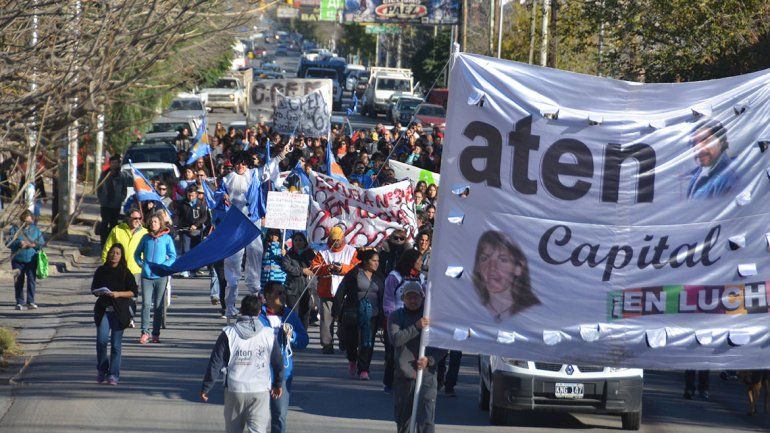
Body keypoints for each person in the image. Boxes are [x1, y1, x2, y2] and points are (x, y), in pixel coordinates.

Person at [200, 294, 284, 433]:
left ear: (241, 311)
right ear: (259, 312)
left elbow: (216, 362)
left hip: (235, 388)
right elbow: (278, 362)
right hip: (260, 389)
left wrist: (206, 387)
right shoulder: (268, 334)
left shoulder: (229, 333)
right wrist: (277, 384)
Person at [222, 150, 284, 318]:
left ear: (247, 164)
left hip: (252, 222)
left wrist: (280, 155)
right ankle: (229, 307)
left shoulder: (254, 175)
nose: (239, 166)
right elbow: (217, 196)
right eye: (237, 163)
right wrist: (221, 195)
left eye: (243, 163)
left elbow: (268, 169)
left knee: (255, 260)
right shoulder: (226, 180)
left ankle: (257, 304)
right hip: (235, 224)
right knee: (233, 264)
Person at [389, 282, 445, 433]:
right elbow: (396, 339)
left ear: (422, 297)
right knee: (403, 421)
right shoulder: (395, 316)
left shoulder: (430, 317)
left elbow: (442, 345)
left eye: (416, 297)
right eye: (409, 297)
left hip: (426, 376)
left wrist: (429, 360)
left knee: (426, 420)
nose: (413, 300)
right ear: (403, 298)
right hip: (404, 376)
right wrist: (416, 327)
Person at [258, 282, 309, 433]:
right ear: (267, 296)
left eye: (283, 293)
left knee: (279, 415)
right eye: (278, 293)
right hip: (259, 373)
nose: (282, 296)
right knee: (257, 416)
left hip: (283, 373)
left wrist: (292, 336)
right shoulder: (258, 315)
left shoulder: (290, 314)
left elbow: (304, 341)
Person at [91, 243, 138, 385]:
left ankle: (113, 375)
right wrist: (99, 292)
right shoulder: (101, 270)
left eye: (118, 253)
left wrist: (118, 294)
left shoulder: (125, 272)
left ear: (122, 256)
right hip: (104, 310)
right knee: (102, 341)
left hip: (119, 312)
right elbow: (93, 289)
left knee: (116, 345)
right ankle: (102, 369)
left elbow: (133, 292)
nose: (114, 255)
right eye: (112, 252)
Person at [333, 249, 384, 380]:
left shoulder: (379, 276)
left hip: (372, 314)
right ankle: (352, 359)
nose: (377, 263)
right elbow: (341, 291)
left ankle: (364, 369)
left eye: (378, 261)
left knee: (367, 342)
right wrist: (336, 311)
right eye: (374, 261)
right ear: (366, 262)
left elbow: (384, 295)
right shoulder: (353, 274)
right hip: (354, 312)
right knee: (352, 341)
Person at [310, 226, 360, 354]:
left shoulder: (351, 251)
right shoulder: (323, 251)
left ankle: (345, 342)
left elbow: (356, 268)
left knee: (345, 320)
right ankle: (327, 344)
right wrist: (327, 268)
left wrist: (341, 269)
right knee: (326, 320)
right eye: (333, 240)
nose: (336, 242)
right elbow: (314, 268)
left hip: (346, 292)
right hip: (327, 290)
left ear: (343, 238)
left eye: (338, 239)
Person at [473, 230, 539, 321]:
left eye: (502, 260)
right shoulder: (469, 307)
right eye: (485, 258)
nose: (492, 267)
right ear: (478, 267)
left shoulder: (535, 313)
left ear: (518, 268)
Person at [382, 248, 423, 393]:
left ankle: (413, 382)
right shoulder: (395, 277)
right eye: (419, 260)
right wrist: (391, 319)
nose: (421, 262)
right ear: (411, 261)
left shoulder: (421, 277)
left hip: (417, 319)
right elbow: (388, 300)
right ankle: (389, 383)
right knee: (393, 352)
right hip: (398, 319)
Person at [134, 213, 177, 344]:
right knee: (146, 304)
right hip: (147, 276)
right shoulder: (145, 238)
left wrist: (164, 266)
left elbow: (173, 256)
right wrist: (142, 265)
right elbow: (137, 254)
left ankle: (156, 334)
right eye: (151, 222)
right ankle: (144, 332)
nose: (153, 224)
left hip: (161, 276)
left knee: (158, 306)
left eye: (156, 222)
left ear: (161, 224)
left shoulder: (167, 238)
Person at [686, 120, 737, 199]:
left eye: (705, 140)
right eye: (693, 143)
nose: (698, 149)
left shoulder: (727, 177)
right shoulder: (697, 174)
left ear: (721, 142)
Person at [7, 210, 44, 310]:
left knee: (31, 280)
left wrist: (32, 245)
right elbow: (8, 243)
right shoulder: (14, 230)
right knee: (18, 281)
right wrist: (19, 244)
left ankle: (30, 301)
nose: (27, 223)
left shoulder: (36, 231)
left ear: (32, 219)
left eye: (29, 220)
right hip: (17, 259)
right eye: (25, 220)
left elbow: (41, 243)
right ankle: (19, 302)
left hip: (32, 259)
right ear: (21, 220)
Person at [282, 232, 316, 330]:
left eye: (300, 240)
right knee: (293, 314)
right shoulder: (289, 254)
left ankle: (303, 334)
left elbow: (313, 266)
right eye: (295, 240)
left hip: (306, 288)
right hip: (292, 289)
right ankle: (292, 335)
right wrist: (302, 271)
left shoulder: (309, 253)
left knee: (305, 313)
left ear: (305, 241)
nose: (298, 242)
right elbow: (287, 267)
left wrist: (307, 253)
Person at [101, 208, 147, 280]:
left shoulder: (145, 233)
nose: (137, 220)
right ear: (128, 218)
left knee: (132, 291)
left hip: (136, 271)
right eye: (135, 218)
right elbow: (107, 249)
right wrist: (106, 265)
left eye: (139, 218)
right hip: (118, 270)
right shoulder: (117, 230)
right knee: (117, 291)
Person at [97, 155, 130, 245]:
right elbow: (99, 187)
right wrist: (101, 199)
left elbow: (124, 189)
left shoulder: (122, 176)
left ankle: (112, 242)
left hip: (115, 205)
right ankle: (103, 242)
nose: (114, 165)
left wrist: (120, 199)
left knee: (114, 224)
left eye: (116, 163)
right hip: (105, 204)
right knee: (104, 223)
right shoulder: (104, 174)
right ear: (110, 164)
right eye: (112, 163)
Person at [175, 184, 208, 277]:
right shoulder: (182, 204)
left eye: (192, 195)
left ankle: (194, 269)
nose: (190, 197)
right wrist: (176, 225)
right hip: (185, 230)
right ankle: (185, 269)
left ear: (196, 194)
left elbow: (204, 217)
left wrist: (196, 225)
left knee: (195, 250)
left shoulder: (200, 204)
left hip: (197, 231)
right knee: (186, 250)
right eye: (189, 195)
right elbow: (178, 216)